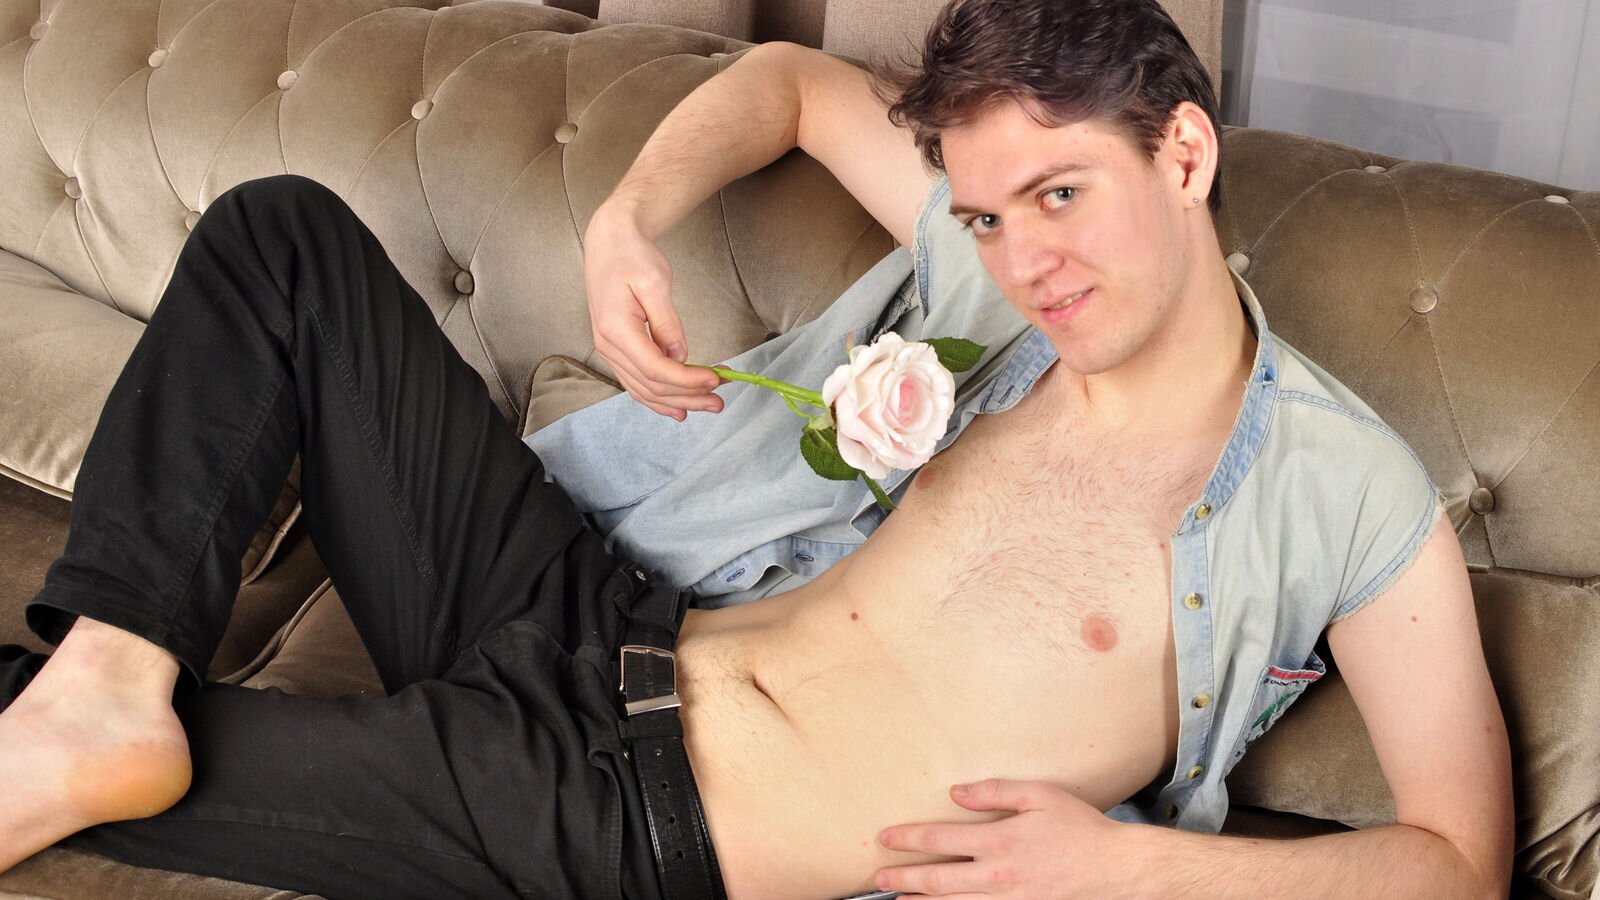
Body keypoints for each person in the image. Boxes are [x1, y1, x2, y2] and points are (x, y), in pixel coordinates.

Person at [0, 1, 1511, 898]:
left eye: (1061, 195)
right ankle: (109, 679)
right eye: (986, 216)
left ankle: (76, 715)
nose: (1026, 262)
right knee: (281, 236)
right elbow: (792, 84)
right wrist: (624, 220)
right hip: (592, 615)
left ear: (1182, 152)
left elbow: (1459, 859)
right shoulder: (999, 294)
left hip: (632, 823)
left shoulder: (1344, 494)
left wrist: (1136, 872)